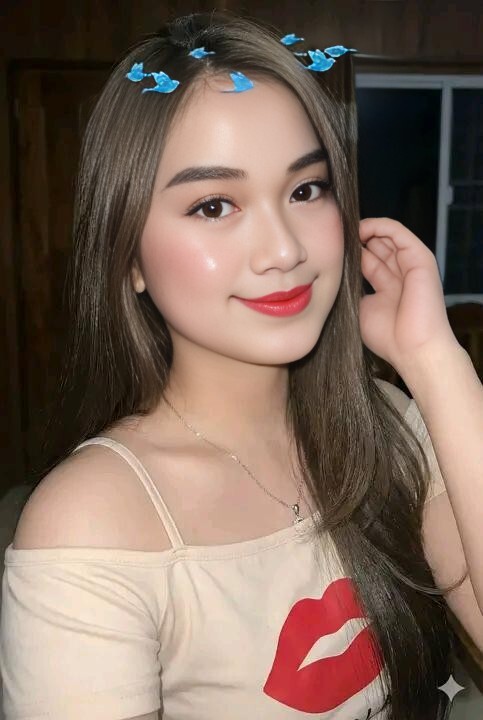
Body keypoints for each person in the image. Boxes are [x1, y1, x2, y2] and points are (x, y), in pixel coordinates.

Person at [1, 10, 482, 720]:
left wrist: (435, 361)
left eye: (305, 190)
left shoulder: (388, 425)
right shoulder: (91, 522)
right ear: (129, 257)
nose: (284, 249)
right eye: (214, 205)